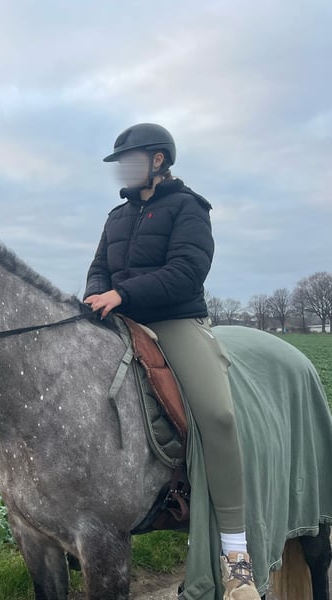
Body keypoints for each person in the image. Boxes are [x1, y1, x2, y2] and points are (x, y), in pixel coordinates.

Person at [83, 123, 259, 600]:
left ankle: (236, 554)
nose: (123, 169)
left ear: (158, 160)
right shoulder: (116, 217)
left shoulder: (189, 207)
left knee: (218, 416)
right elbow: (99, 269)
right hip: (121, 321)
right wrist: (96, 295)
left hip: (175, 321)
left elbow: (186, 271)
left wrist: (123, 293)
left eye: (130, 159)